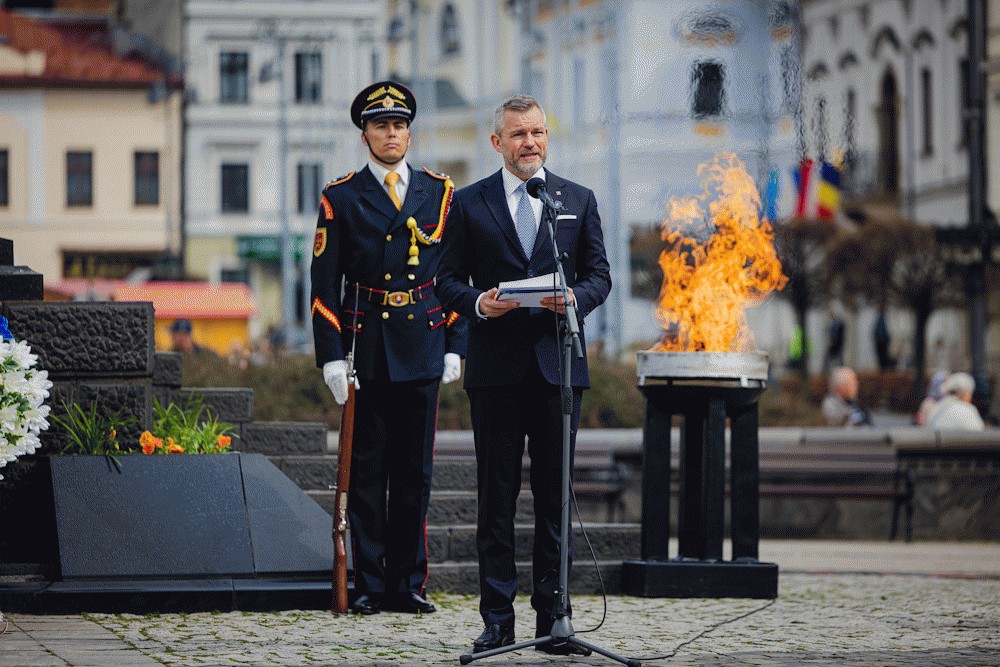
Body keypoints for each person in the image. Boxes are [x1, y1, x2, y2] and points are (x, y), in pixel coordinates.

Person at [436, 95, 611, 654]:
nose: (530, 142)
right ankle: (497, 620)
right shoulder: (467, 204)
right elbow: (446, 281)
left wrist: (574, 299)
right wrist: (481, 305)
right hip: (496, 372)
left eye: (537, 132)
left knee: (556, 499)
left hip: (558, 369)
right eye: (518, 135)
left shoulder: (576, 200)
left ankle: (554, 619)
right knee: (497, 500)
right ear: (497, 143)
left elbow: (599, 275)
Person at [310, 80, 467, 616]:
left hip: (423, 343)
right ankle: (370, 584)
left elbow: (454, 276)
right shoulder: (342, 196)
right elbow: (323, 286)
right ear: (365, 135)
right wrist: (331, 355)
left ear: (409, 132)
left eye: (399, 125)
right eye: (381, 125)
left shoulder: (439, 193)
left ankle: (409, 584)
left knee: (415, 474)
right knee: (369, 472)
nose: (391, 133)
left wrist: (455, 342)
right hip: (367, 344)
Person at [824, 308, 845, 372]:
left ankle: (826, 370)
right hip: (836, 343)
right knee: (838, 357)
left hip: (836, 343)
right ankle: (841, 369)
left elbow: (833, 333)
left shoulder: (837, 324)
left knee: (829, 357)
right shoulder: (836, 323)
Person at [873, 306, 893, 371]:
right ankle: (882, 370)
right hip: (879, 341)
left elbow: (887, 331)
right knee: (880, 357)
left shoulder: (886, 319)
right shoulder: (878, 319)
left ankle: (884, 370)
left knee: (885, 357)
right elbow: (875, 331)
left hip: (885, 341)